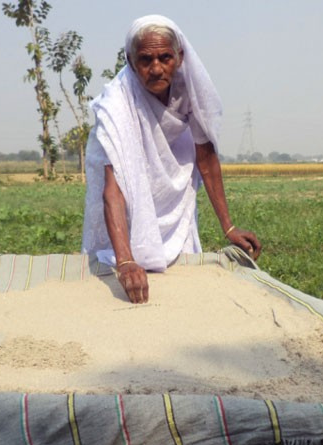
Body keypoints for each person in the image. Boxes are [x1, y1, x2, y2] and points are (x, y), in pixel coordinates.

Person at [82, 14, 261, 303]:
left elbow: (206, 156)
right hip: (128, 192)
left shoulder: (189, 87)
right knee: (116, 264)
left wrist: (228, 226)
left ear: (179, 57)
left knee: (181, 284)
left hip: (175, 190)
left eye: (165, 58)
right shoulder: (116, 103)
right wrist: (126, 261)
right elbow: (113, 190)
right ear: (130, 60)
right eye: (145, 59)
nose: (156, 68)